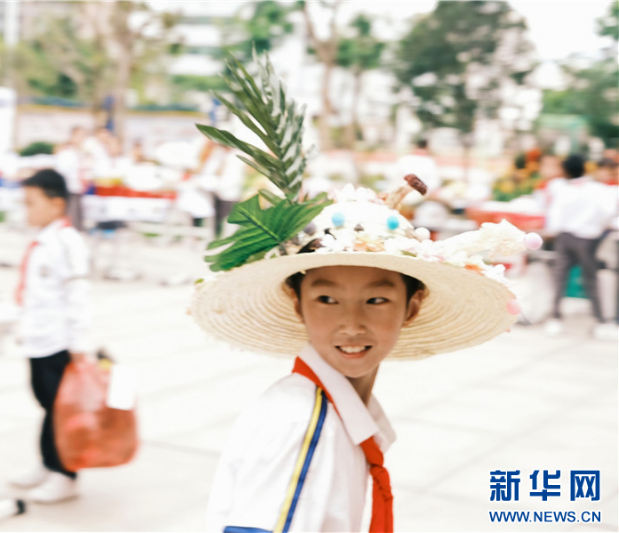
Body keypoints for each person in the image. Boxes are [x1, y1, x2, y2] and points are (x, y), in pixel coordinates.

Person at [191, 61, 539, 532]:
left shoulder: (329, 411)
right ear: (297, 302)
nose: (351, 324)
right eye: (327, 300)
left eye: (376, 301)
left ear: (411, 306)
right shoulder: (304, 424)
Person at [10, 169, 97, 503]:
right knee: (47, 405)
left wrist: (79, 343)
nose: (26, 210)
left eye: (31, 203)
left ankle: (65, 473)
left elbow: (78, 294)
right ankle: (48, 464)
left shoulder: (67, 242)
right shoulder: (42, 240)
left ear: (56, 203)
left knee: (62, 410)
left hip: (59, 342)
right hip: (37, 339)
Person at [544, 155, 618, 340]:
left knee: (560, 278)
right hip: (588, 239)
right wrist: (597, 227)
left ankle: (555, 318)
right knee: (590, 280)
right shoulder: (597, 189)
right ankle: (600, 321)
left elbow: (554, 216)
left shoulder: (562, 189)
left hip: (564, 237)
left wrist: (553, 230)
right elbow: (608, 212)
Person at [54, 126, 89, 230]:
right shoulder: (66, 153)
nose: (82, 139)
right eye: (80, 136)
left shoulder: (78, 153)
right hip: (69, 190)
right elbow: (61, 173)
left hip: (78, 189)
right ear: (73, 136)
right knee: (71, 222)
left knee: (77, 222)